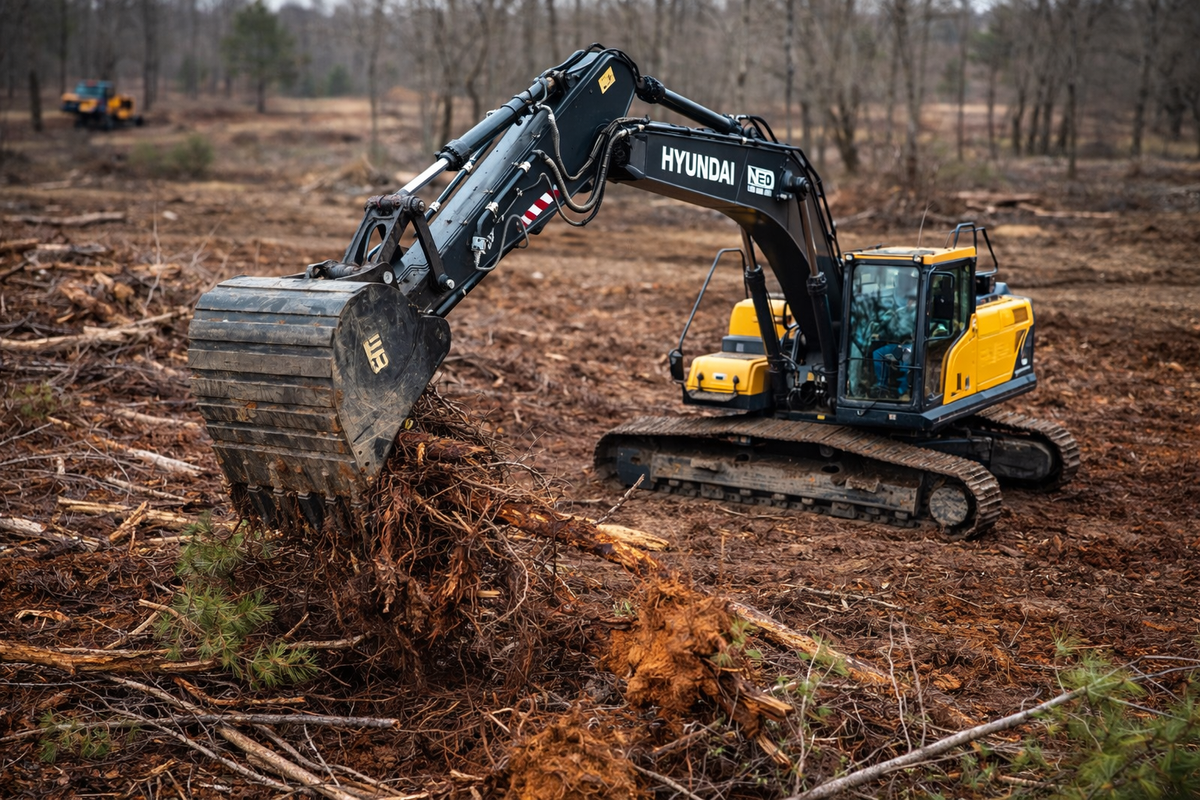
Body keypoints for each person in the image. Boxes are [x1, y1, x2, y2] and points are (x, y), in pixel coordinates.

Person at [871, 270, 919, 398]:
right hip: (899, 346)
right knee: (878, 353)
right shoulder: (900, 312)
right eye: (908, 299)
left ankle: (901, 391)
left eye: (912, 300)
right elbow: (891, 326)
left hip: (913, 346)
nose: (909, 302)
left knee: (906, 357)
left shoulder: (920, 314)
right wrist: (881, 332)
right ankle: (882, 388)